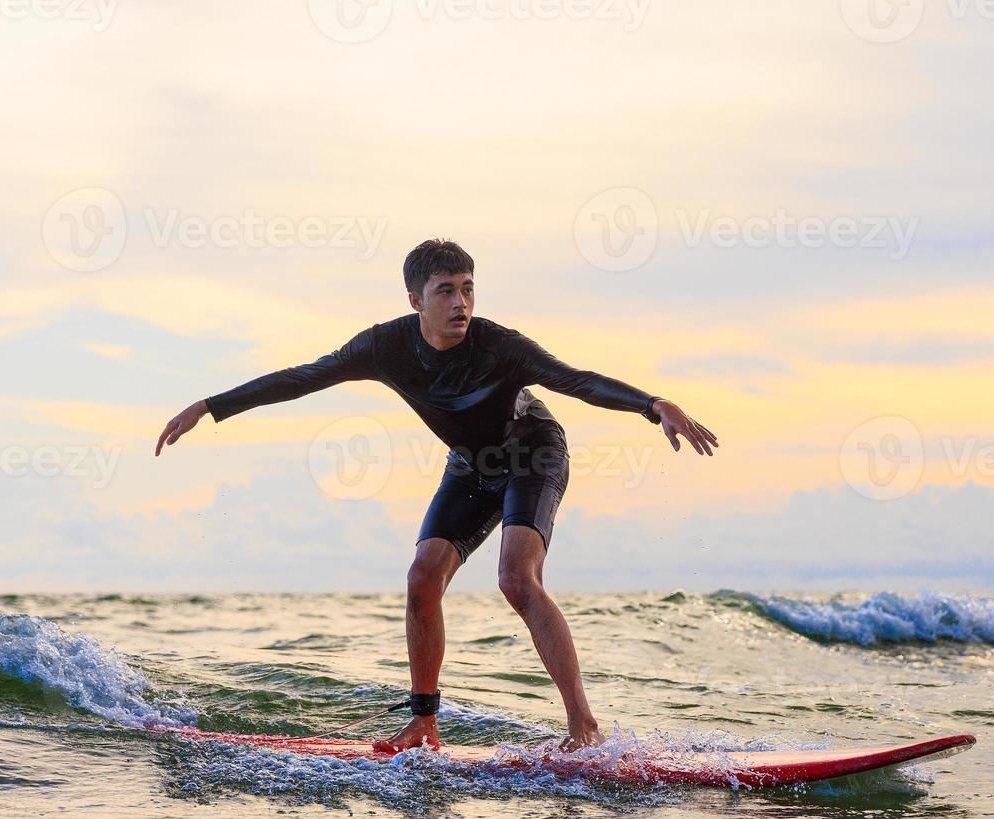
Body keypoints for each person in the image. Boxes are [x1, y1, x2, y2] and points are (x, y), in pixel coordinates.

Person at [155, 239, 717, 751]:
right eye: (446, 290)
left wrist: (653, 405)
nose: (460, 302)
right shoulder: (385, 347)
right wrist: (211, 405)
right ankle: (424, 721)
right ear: (415, 300)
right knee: (422, 577)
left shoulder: (500, 346)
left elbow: (575, 380)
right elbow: (305, 376)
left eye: (468, 288)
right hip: (471, 465)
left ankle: (583, 726)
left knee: (517, 577)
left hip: (533, 453)